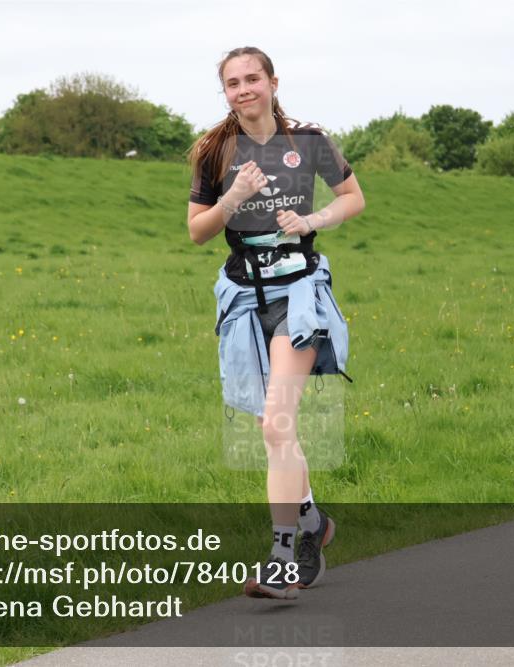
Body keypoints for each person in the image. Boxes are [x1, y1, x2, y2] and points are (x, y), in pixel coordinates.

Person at [186, 47, 365, 599]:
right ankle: (312, 521)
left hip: (299, 294)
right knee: (274, 427)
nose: (243, 90)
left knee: (274, 424)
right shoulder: (213, 151)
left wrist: (312, 219)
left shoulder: (306, 140)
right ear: (225, 92)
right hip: (242, 298)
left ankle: (282, 559)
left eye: (252, 79)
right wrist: (232, 198)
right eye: (233, 82)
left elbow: (353, 199)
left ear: (272, 82)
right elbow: (197, 231)